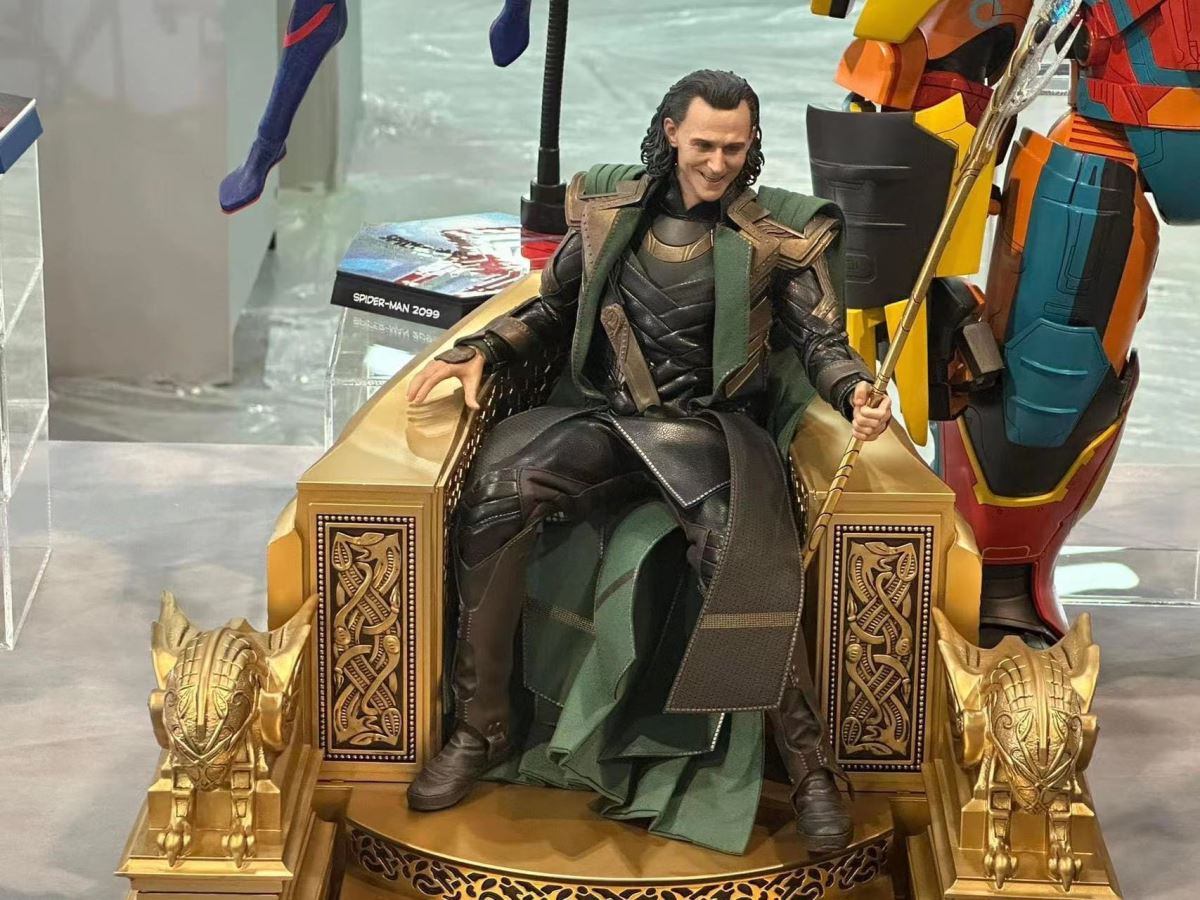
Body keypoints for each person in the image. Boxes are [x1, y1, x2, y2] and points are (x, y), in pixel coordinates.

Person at [405, 69, 891, 852]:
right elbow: (553, 305)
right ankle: (479, 727)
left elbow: (822, 344)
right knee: (497, 494)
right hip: (609, 420)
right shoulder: (609, 212)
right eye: (704, 145)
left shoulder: (779, 237)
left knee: (739, 555)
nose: (719, 162)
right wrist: (483, 348)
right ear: (670, 133)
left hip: (712, 434)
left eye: (735, 148)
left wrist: (855, 391)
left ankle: (809, 770)